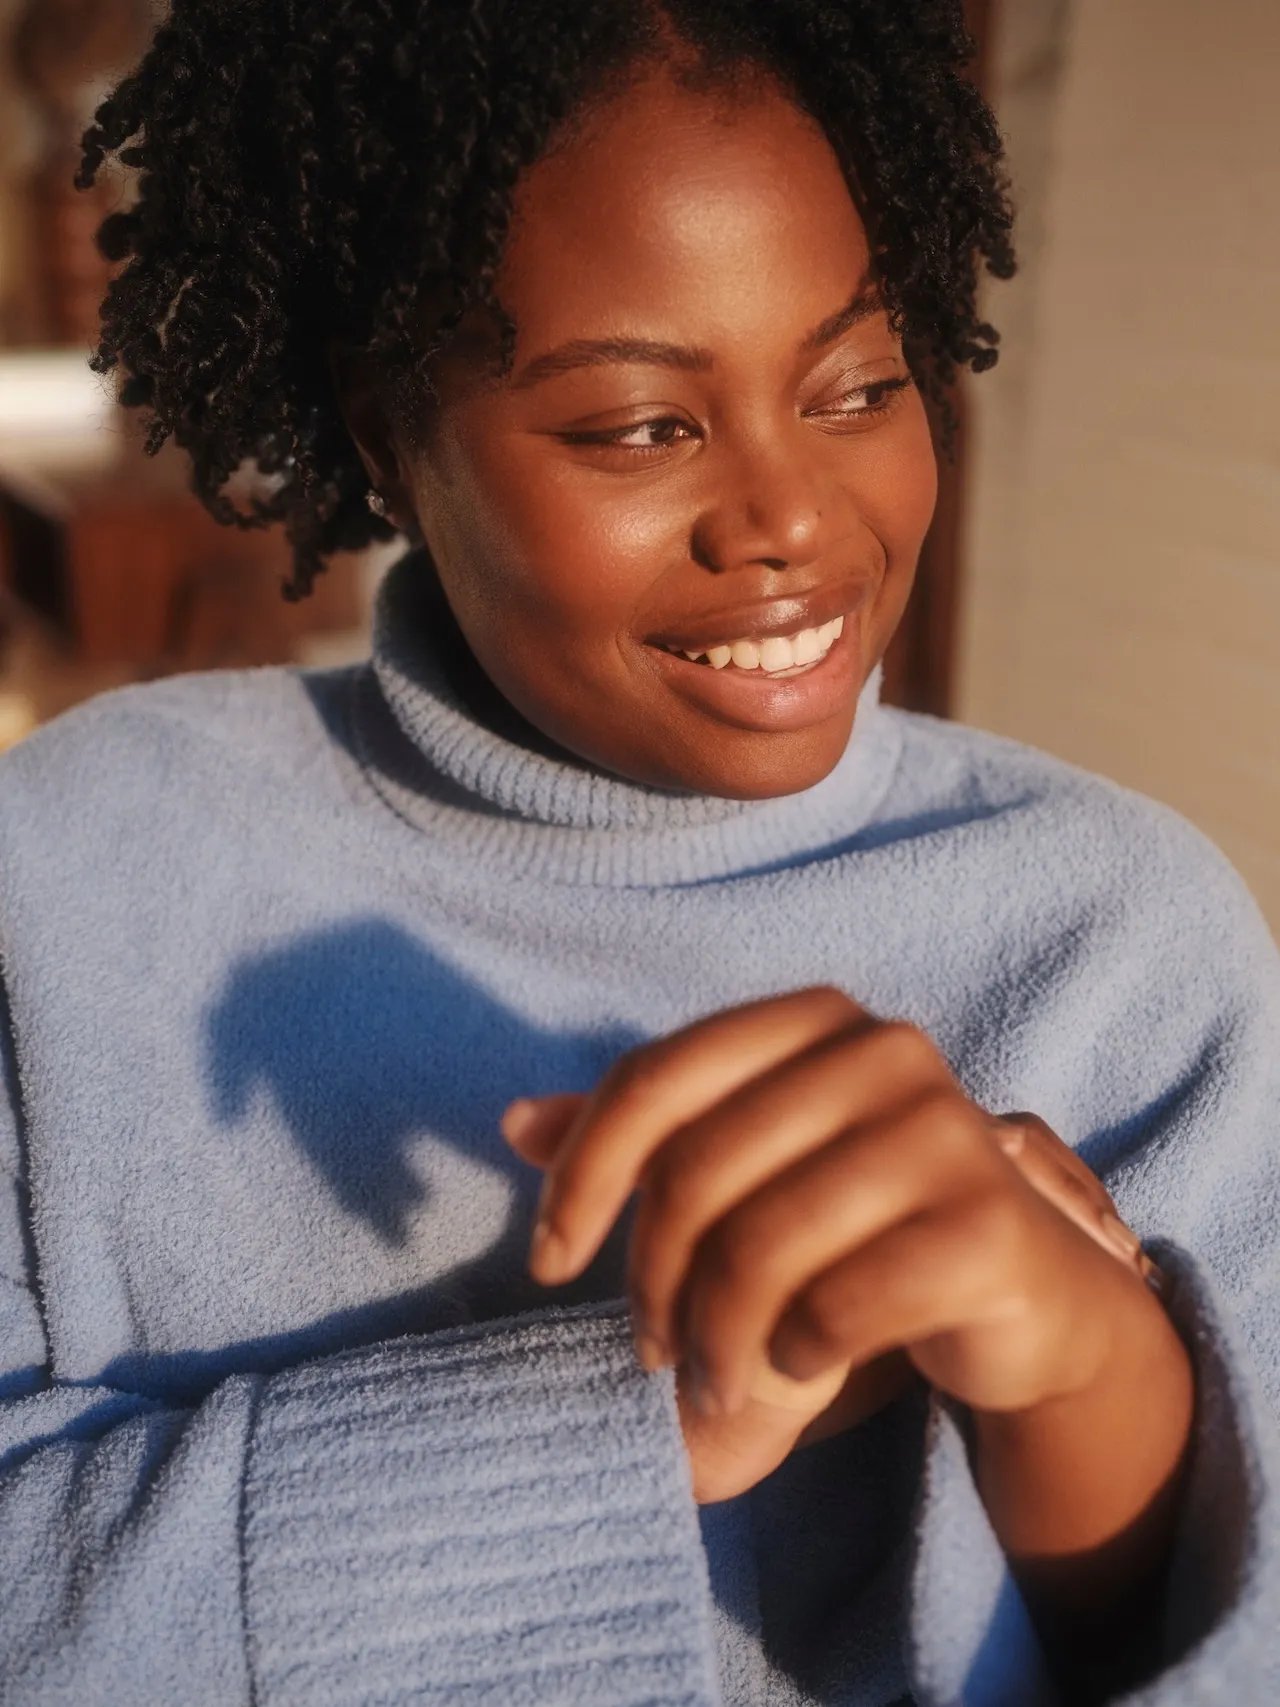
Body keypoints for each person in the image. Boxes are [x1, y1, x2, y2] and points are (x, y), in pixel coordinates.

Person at [0, 2, 1275, 1702]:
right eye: (639, 427)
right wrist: (630, 1427)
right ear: (392, 438)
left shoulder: (1127, 938)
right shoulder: (71, 875)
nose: (792, 518)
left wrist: (1091, 1370)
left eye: (860, 384)